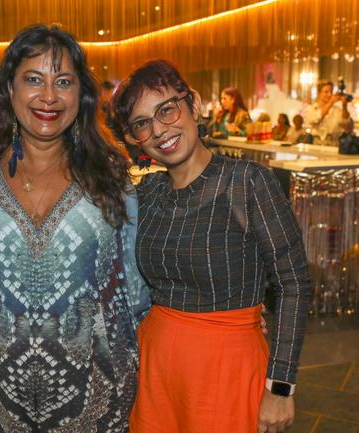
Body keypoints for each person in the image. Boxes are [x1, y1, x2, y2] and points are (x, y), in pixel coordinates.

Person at [0, 24, 150, 432]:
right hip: (4, 395)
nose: (48, 97)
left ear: (81, 95)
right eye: (33, 80)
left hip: (100, 395)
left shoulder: (111, 178)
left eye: (63, 82)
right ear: (9, 89)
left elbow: (134, 290)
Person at [113, 59, 310, 433]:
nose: (159, 130)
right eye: (142, 123)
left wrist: (281, 387)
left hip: (227, 368)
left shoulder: (247, 182)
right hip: (155, 367)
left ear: (194, 104)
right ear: (134, 138)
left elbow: (294, 283)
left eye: (166, 109)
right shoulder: (147, 193)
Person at [304, 80, 352, 145]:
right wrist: (331, 102)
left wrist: (344, 106)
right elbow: (315, 119)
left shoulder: (336, 110)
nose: (329, 95)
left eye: (331, 92)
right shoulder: (312, 108)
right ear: (319, 93)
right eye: (326, 92)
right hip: (316, 144)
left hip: (333, 144)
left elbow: (346, 125)